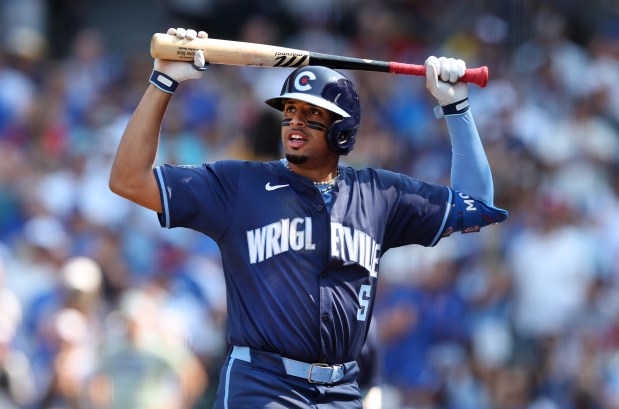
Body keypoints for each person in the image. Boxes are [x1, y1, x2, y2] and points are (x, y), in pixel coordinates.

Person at [109, 27, 507, 409]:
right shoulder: (238, 185)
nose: (295, 120)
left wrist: (456, 107)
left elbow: (475, 205)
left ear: (343, 132)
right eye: (290, 110)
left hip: (343, 390)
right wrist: (163, 82)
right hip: (262, 385)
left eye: (312, 112)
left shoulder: (380, 194)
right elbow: (129, 180)